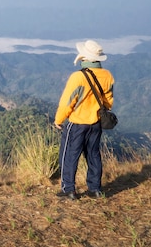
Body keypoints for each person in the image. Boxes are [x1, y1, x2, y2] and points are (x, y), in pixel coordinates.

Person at [54, 39, 114, 200]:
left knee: (69, 156)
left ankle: (69, 190)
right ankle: (95, 189)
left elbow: (68, 101)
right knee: (93, 155)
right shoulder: (107, 75)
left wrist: (59, 119)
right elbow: (108, 101)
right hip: (95, 123)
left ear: (84, 57)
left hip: (77, 123)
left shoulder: (78, 77)